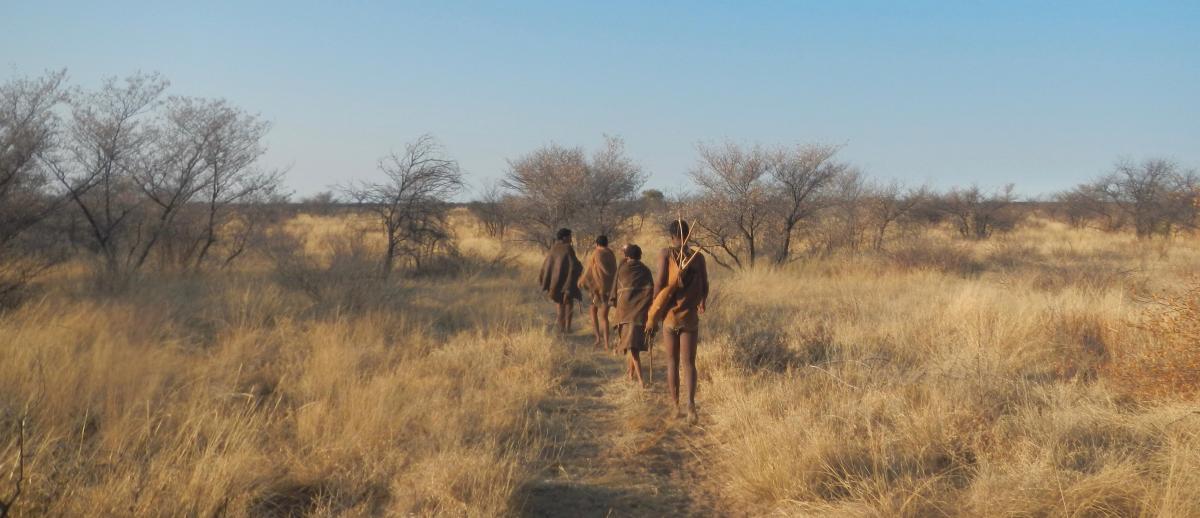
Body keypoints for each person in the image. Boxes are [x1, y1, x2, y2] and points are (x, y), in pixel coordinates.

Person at [647, 219, 709, 423]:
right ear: (688, 235)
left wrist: (653, 311)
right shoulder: (698, 257)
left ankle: (675, 406)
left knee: (672, 362)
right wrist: (702, 303)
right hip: (689, 317)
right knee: (689, 363)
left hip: (670, 317)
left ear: (671, 235)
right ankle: (691, 405)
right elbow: (705, 286)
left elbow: (660, 284)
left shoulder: (665, 254)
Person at [609, 244, 654, 387]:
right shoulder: (646, 270)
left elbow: (616, 290)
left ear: (626, 256)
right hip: (641, 313)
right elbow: (650, 290)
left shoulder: (622, 270)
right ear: (640, 255)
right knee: (632, 344)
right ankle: (630, 375)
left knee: (633, 348)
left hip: (626, 313)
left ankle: (641, 381)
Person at [539, 228, 583, 334]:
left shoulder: (554, 248)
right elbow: (574, 265)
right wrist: (579, 267)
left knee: (559, 303)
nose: (571, 239)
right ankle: (567, 328)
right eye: (570, 236)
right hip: (566, 281)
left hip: (555, 281)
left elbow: (547, 265)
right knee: (568, 303)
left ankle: (561, 328)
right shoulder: (568, 248)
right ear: (565, 237)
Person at [579, 235, 618, 352]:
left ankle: (600, 340)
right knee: (601, 315)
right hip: (610, 288)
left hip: (598, 289)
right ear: (607, 243)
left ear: (596, 244)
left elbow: (589, 270)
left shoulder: (596, 253)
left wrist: (582, 282)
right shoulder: (611, 253)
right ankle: (605, 342)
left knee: (597, 314)